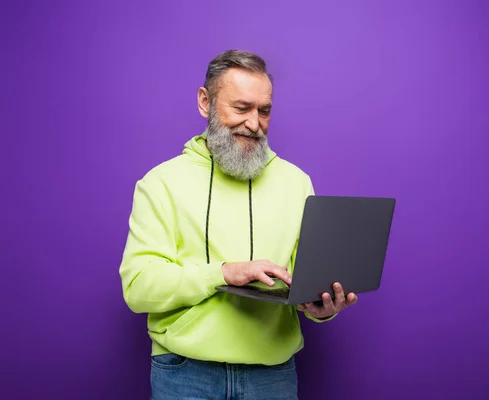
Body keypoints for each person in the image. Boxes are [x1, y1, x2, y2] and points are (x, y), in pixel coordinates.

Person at [118, 50, 358, 400]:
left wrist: (322, 308)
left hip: (272, 375)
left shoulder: (297, 182)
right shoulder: (161, 183)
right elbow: (138, 288)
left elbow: (303, 279)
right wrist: (224, 272)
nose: (254, 123)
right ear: (205, 102)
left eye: (264, 111)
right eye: (241, 108)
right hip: (185, 374)